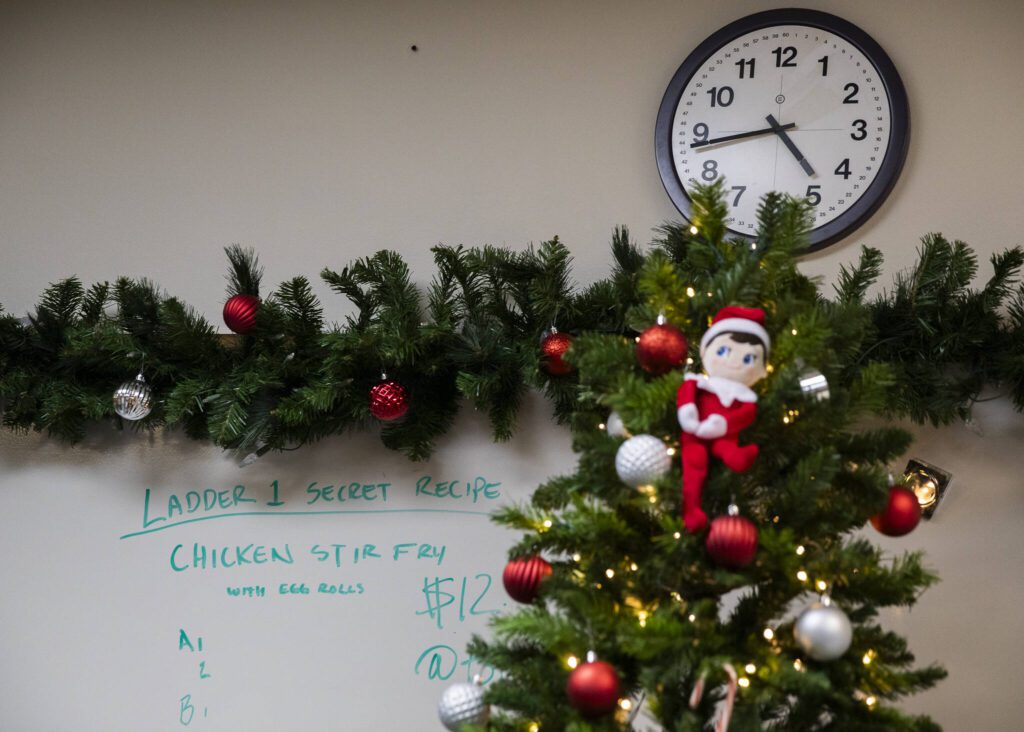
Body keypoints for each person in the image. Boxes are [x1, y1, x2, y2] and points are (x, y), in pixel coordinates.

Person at [676, 306, 769, 533]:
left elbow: (746, 415)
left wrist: (723, 425)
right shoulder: (699, 382)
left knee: (727, 447)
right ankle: (692, 511)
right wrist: (688, 414)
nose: (735, 364)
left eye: (748, 358)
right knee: (694, 462)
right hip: (694, 432)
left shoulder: (744, 395)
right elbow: (686, 395)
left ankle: (736, 457)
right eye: (724, 352)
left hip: (725, 434)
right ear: (706, 351)